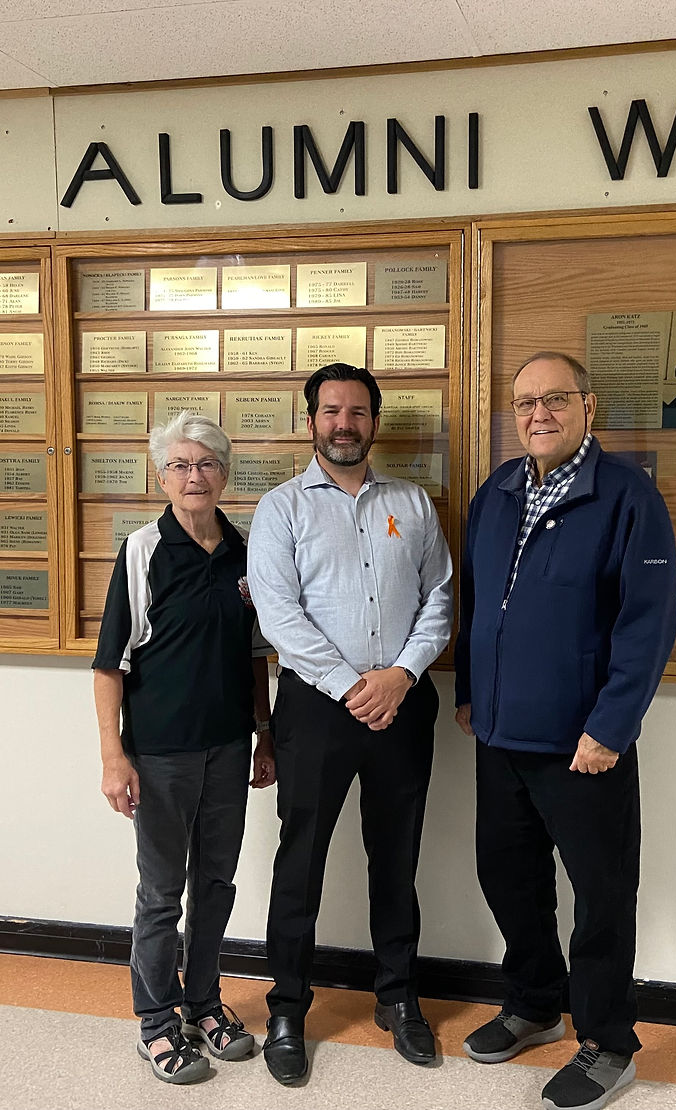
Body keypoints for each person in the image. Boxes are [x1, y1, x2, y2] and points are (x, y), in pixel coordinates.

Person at [454, 352, 676, 1110]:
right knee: (506, 878)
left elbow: (648, 625)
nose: (537, 414)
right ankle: (535, 1002)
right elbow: (480, 603)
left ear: (589, 404)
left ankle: (609, 1042)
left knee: (601, 896)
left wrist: (611, 726)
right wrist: (471, 695)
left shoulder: (626, 497)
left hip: (586, 744)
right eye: (524, 403)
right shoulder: (498, 491)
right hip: (501, 735)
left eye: (554, 399)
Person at [247, 363, 453, 1084]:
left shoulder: (413, 504)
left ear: (375, 422)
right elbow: (279, 616)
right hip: (314, 707)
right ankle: (287, 1007)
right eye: (331, 411)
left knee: (396, 855)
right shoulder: (281, 510)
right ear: (311, 422)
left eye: (358, 412)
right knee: (299, 859)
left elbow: (440, 599)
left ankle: (398, 998)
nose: (344, 423)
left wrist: (398, 676)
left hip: (401, 700)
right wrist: (348, 687)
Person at [93, 411, 275, 1085]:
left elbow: (257, 652)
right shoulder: (143, 550)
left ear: (224, 474)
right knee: (163, 893)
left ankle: (203, 1003)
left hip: (228, 748)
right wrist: (115, 757)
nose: (193, 476)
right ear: (161, 476)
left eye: (204, 464)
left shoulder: (245, 549)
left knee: (217, 886)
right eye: (179, 465)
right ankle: (156, 1023)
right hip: (162, 755)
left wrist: (265, 732)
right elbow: (110, 664)